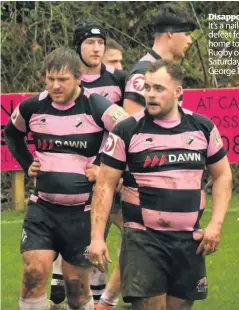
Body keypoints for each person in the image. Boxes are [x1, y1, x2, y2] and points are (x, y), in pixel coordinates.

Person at [87, 59, 232, 310]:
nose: (151, 95)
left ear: (178, 91)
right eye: (148, 88)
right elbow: (105, 185)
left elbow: (222, 176)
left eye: (159, 89)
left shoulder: (202, 128)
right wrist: (97, 238)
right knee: (153, 306)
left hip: (189, 239)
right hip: (144, 238)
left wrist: (216, 224)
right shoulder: (127, 130)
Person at [3, 47, 128, 310]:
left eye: (63, 80)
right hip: (42, 209)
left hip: (83, 212)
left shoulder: (96, 105)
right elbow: (11, 134)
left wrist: (106, 167)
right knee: (33, 273)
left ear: (78, 78)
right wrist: (28, 165)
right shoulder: (32, 106)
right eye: (50, 79)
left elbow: (131, 132)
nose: (55, 86)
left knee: (76, 289)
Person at [45, 21, 130, 310]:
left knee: (131, 231)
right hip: (79, 172)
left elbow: (126, 125)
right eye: (90, 43)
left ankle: (106, 298)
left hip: (109, 168)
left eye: (101, 43)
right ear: (77, 46)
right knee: (78, 229)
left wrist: (115, 166)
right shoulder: (65, 81)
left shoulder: (119, 80)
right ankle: (64, 279)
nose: (97, 48)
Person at [122, 3, 197, 115]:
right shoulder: (142, 73)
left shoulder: (170, 70)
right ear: (170, 33)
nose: (190, 40)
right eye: (186, 34)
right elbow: (131, 125)